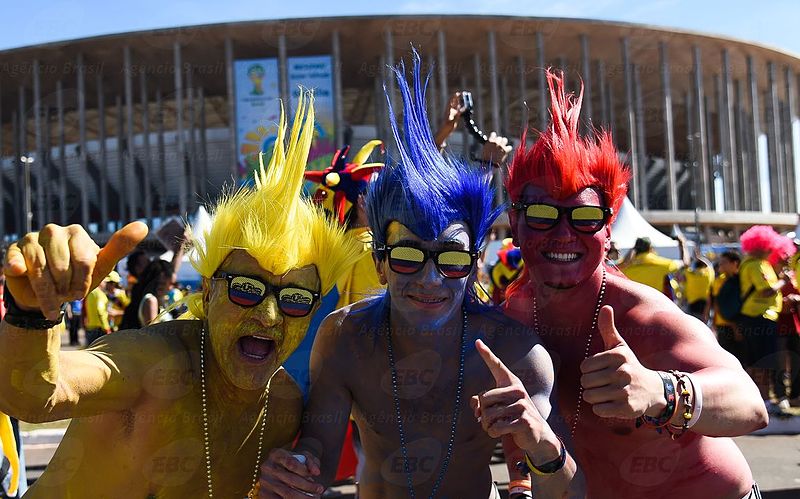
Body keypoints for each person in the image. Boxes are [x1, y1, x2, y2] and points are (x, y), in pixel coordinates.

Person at [0, 92, 362, 498]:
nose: (271, 317)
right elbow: (32, 395)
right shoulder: (155, 363)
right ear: (207, 292)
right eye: (246, 290)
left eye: (295, 299)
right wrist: (31, 313)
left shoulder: (282, 407)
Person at [260, 53, 583, 499]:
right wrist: (293, 470)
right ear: (378, 261)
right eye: (409, 256)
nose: (431, 280)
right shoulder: (346, 338)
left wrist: (541, 445)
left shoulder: (516, 353)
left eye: (451, 260)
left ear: (473, 263)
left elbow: (571, 491)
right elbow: (319, 451)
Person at [503, 70, 767, 498]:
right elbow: (522, 427)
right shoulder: (512, 318)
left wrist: (660, 390)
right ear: (515, 222)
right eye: (543, 215)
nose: (564, 233)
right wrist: (520, 484)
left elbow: (750, 405)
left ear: (608, 231)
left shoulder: (644, 317)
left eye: (585, 217)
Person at [737, 225, 785, 414]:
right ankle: (763, 400)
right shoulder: (756, 265)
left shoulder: (758, 264)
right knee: (763, 361)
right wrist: (784, 282)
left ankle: (759, 398)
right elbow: (765, 290)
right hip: (760, 317)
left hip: (756, 318)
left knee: (757, 360)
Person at [621, 236, 688, 299]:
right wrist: (682, 245)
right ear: (650, 248)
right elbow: (685, 263)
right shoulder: (662, 264)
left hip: (633, 305)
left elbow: (620, 265)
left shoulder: (625, 267)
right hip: (656, 305)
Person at [710, 251, 745, 364]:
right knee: (727, 358)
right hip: (724, 325)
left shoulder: (742, 279)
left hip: (741, 324)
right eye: (720, 263)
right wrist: (715, 323)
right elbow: (717, 304)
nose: (721, 265)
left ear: (734, 263)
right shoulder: (718, 281)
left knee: (742, 357)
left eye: (724, 262)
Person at [83, 272, 113, 346]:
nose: (105, 284)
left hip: (90, 327)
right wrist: (106, 327)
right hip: (99, 329)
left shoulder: (91, 292)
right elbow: (100, 311)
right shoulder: (99, 293)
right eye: (104, 282)